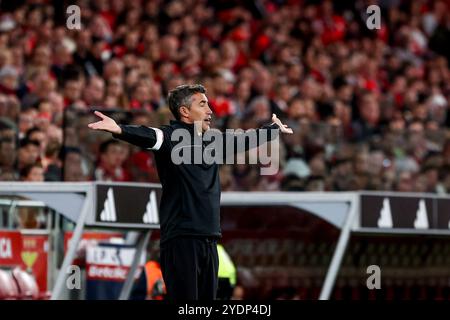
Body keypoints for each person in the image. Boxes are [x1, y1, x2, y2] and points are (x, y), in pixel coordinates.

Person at [88, 84, 293, 301]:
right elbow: (149, 135)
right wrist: (120, 129)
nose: (210, 111)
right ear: (185, 112)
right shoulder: (172, 137)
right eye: (203, 104)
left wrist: (272, 130)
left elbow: (241, 141)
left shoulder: (212, 141)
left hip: (210, 237)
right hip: (182, 239)